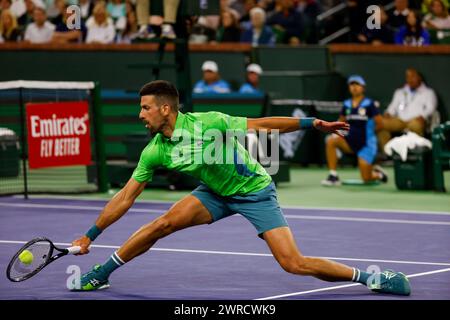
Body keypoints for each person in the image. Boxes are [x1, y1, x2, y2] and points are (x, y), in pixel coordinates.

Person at [70, 80, 411, 297]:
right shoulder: (155, 149)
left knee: (293, 263)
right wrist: (90, 235)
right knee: (162, 224)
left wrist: (312, 123)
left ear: (165, 108)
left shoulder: (209, 123)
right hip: (214, 193)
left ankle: (370, 278)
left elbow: (261, 125)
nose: (140, 114)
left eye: (145, 107)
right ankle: (102, 273)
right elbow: (125, 197)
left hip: (255, 191)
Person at [322, 75, 387, 186]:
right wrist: (336, 133)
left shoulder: (370, 104)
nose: (354, 87)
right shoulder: (346, 104)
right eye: (352, 85)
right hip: (350, 141)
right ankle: (333, 176)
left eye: (357, 84)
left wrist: (369, 134)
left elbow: (380, 124)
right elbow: (341, 122)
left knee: (366, 178)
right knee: (331, 141)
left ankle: (379, 174)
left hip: (366, 144)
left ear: (363, 87)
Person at [377, 68, 437, 151]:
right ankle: (388, 153)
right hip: (400, 121)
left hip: (416, 120)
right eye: (408, 77)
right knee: (380, 124)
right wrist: (388, 113)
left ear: (419, 78)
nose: (410, 79)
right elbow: (392, 107)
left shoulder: (428, 92)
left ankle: (414, 154)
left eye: (413, 76)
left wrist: (423, 116)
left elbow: (431, 108)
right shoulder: (400, 92)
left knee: (416, 126)